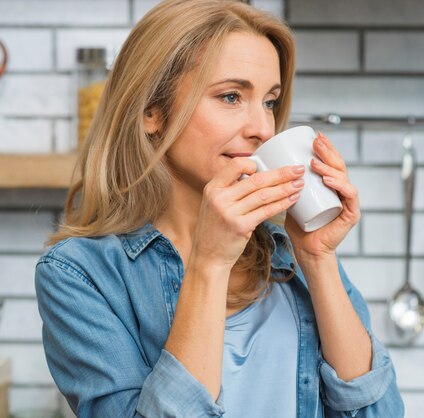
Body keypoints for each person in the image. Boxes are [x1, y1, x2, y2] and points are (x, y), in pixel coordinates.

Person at [34, 0, 404, 416]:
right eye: (231, 96)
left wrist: (319, 259)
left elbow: (380, 412)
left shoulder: (295, 255)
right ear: (150, 112)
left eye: (269, 101)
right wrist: (209, 264)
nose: (263, 128)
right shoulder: (81, 275)